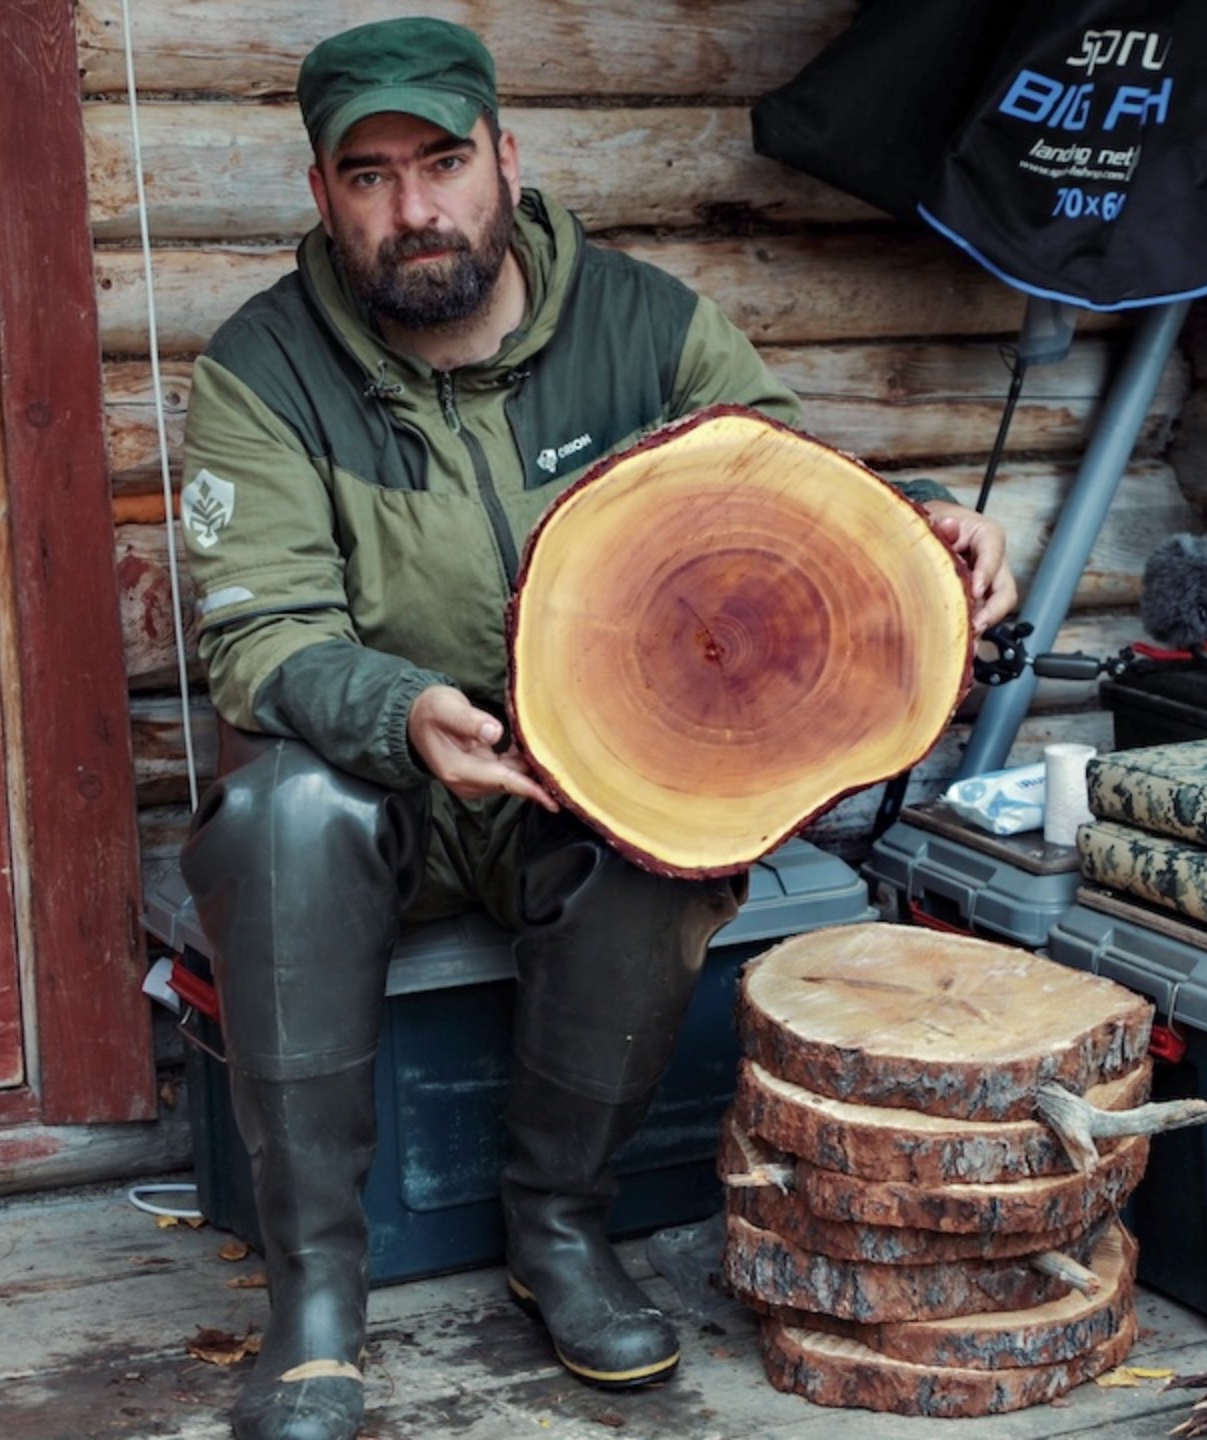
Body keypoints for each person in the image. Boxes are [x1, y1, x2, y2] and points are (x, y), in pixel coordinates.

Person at [174, 17, 1018, 1440]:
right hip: (400, 779)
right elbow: (260, 639)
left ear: (507, 157)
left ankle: (559, 1231)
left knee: (665, 838)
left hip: (597, 775)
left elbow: (786, 492)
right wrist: (401, 711)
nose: (414, 208)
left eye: (441, 161)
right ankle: (316, 1296)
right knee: (279, 817)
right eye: (367, 175)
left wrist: (931, 527)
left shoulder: (646, 323)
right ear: (322, 194)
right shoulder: (266, 370)